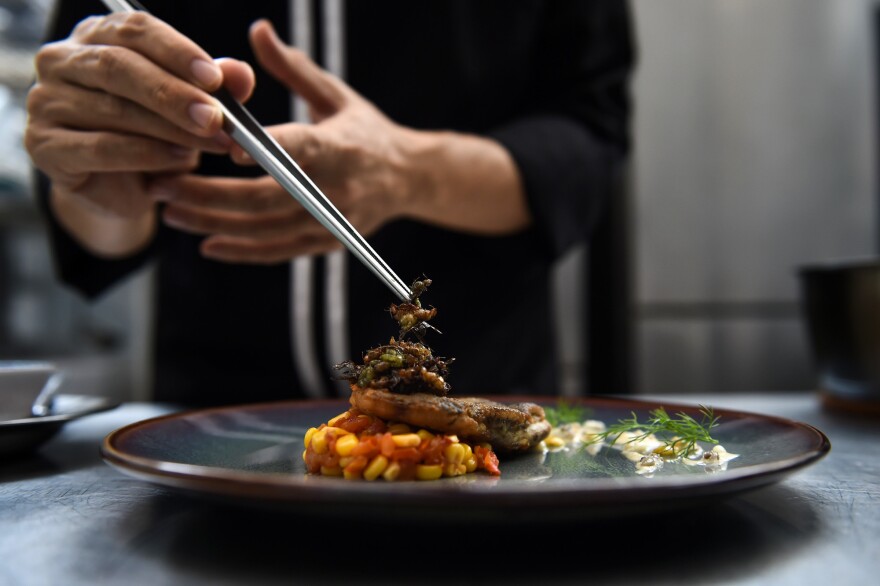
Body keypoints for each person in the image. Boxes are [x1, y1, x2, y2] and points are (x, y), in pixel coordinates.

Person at [25, 0, 635, 407]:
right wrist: (100, 188)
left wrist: (409, 170)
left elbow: (588, 136)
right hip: (210, 435)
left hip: (488, 417)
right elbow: (96, 231)